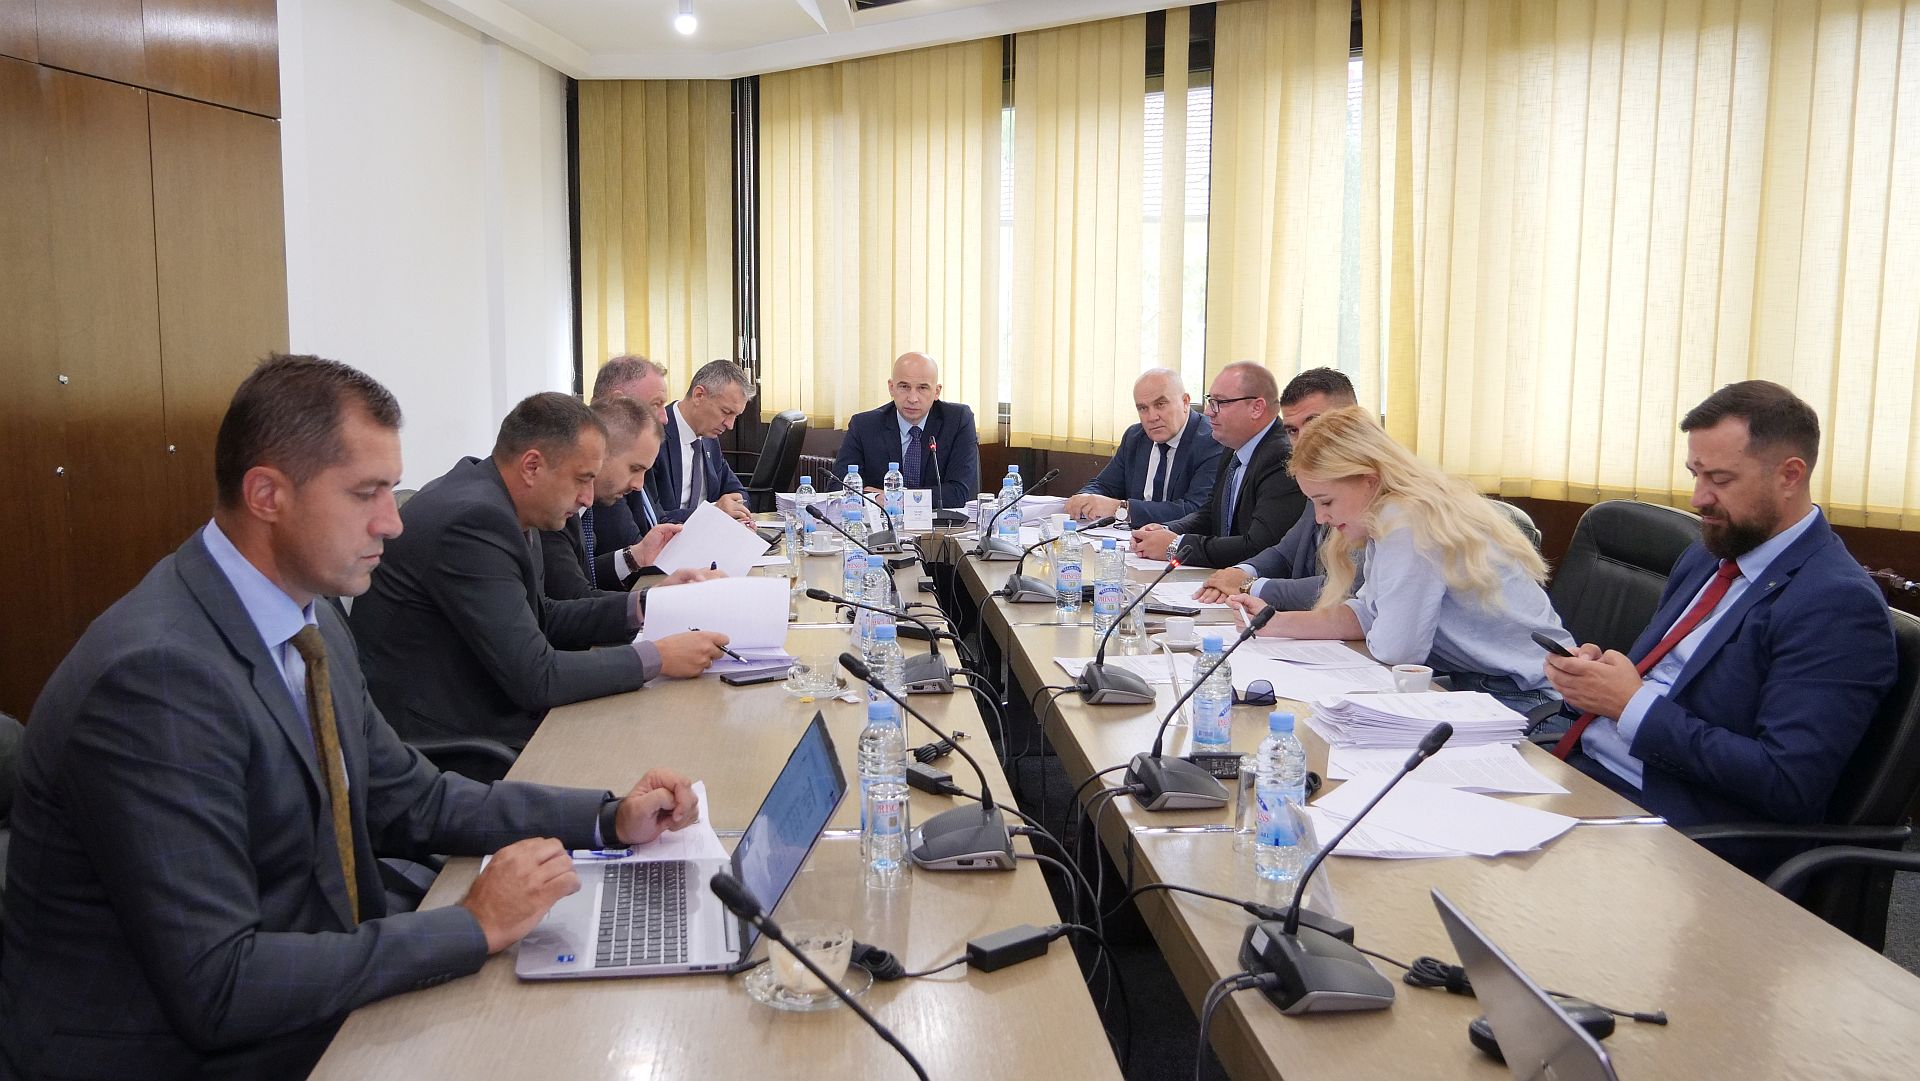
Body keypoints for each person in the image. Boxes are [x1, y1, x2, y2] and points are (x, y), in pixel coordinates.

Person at [0, 356, 708, 1079]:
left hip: (315, 983)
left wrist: (608, 819)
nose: (393, 521)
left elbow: (414, 797)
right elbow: (221, 984)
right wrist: (472, 924)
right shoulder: (157, 678)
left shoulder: (308, 619)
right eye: (366, 493)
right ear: (267, 495)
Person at [1543, 381, 1896, 874]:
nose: (1698, 498)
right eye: (1695, 473)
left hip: (1674, 830)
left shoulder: (1836, 604)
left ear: (1790, 475)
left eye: (1720, 479)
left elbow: (1787, 783)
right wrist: (1595, 683)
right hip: (1582, 773)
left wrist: (1630, 704)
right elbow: (1670, 685)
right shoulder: (1708, 555)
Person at [352, 392, 727, 748]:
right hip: (451, 740)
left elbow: (543, 614)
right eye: (582, 478)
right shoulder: (473, 521)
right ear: (532, 466)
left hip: (484, 706)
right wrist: (658, 656)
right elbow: (537, 677)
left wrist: (653, 604)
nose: (587, 497)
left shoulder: (501, 500)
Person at [1226, 405, 1572, 714]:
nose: (1320, 518)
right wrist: (1275, 623)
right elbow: (1367, 613)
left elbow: (1396, 650)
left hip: (1529, 699)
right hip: (1483, 685)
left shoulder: (1409, 523)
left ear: (1369, 481)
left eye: (1326, 501)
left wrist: (1377, 623)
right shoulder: (1390, 514)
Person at [1196, 367, 1358, 606]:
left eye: (1314, 423)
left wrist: (1250, 586)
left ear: (1352, 420)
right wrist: (1240, 572)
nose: (1303, 440)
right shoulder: (1316, 478)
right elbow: (1284, 552)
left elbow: (1349, 585)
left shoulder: (1372, 488)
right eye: (1292, 430)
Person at [1131, 361, 1305, 568]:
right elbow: (1209, 515)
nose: (1208, 412)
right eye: (1210, 401)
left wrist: (1175, 546)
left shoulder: (1282, 457)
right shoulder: (1233, 447)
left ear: (1256, 408)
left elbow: (1259, 546)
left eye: (1219, 403)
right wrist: (1166, 530)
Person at [540, 397, 681, 599]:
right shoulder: (554, 508)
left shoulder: (586, 508)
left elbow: (583, 575)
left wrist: (636, 555)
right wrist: (649, 600)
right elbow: (574, 599)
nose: (639, 485)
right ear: (600, 452)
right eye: (635, 468)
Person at [1063, 367, 1222, 527]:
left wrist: (1122, 508)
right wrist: (1085, 498)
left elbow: (1195, 511)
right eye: (1143, 408)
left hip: (1179, 539)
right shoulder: (1135, 437)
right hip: (1127, 537)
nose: (1152, 417)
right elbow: (1105, 485)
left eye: (1160, 404)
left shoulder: (1211, 440)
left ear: (1185, 402)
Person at [832, 351, 979, 512]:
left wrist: (896, 499)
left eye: (922, 388)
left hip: (938, 524)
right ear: (891, 387)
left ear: (936, 391)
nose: (912, 398)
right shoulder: (864, 426)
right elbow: (837, 487)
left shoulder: (957, 421)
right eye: (904, 387)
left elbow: (958, 493)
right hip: (883, 522)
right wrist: (877, 499)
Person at [645, 359, 758, 527]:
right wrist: (712, 513)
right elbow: (652, 517)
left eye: (736, 416)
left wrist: (737, 511)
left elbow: (739, 493)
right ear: (699, 395)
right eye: (726, 412)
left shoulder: (709, 439)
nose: (730, 425)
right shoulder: (653, 436)